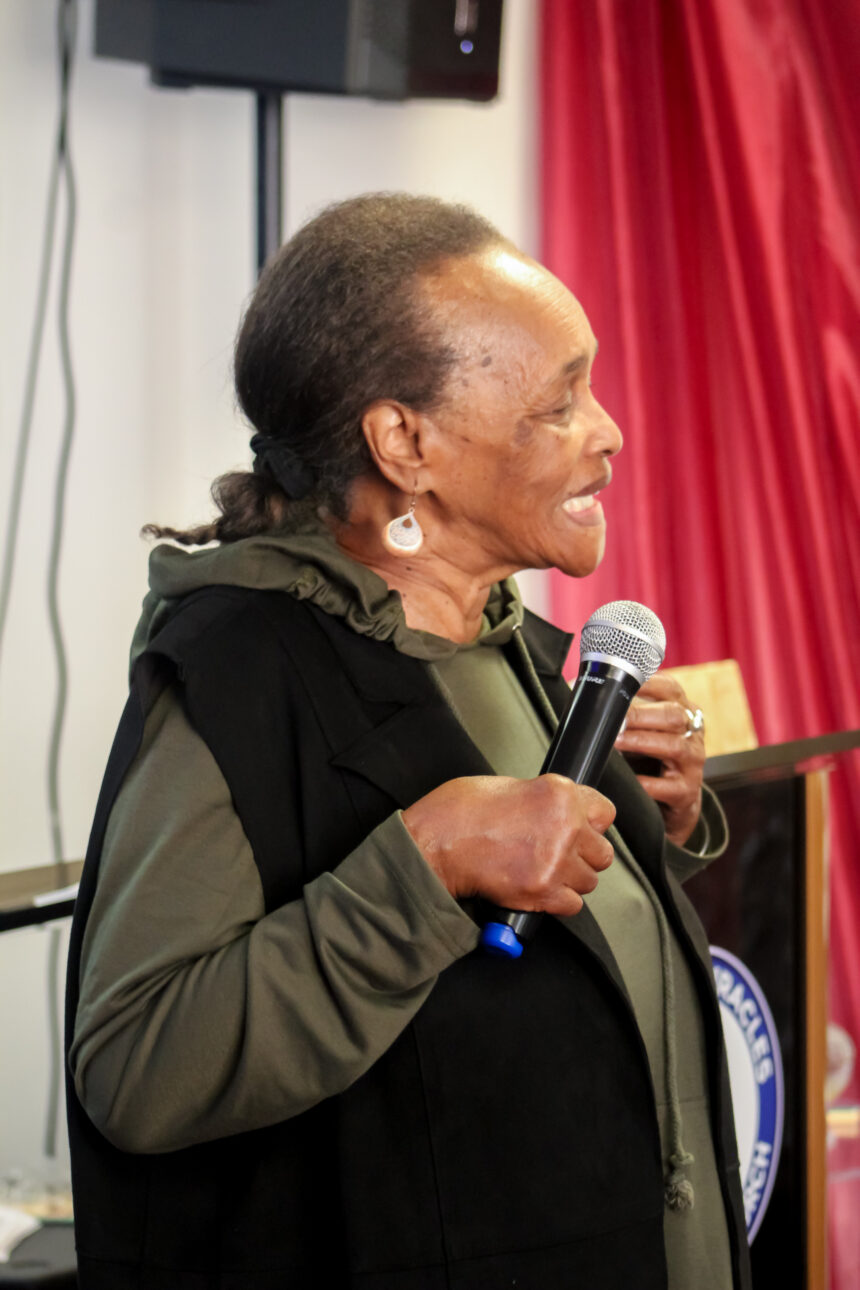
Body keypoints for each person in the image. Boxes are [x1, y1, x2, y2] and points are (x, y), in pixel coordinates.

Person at [65, 193, 751, 1290]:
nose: (608, 431)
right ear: (405, 443)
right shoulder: (238, 677)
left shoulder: (523, 651)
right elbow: (135, 1066)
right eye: (559, 403)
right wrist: (426, 865)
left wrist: (643, 835)